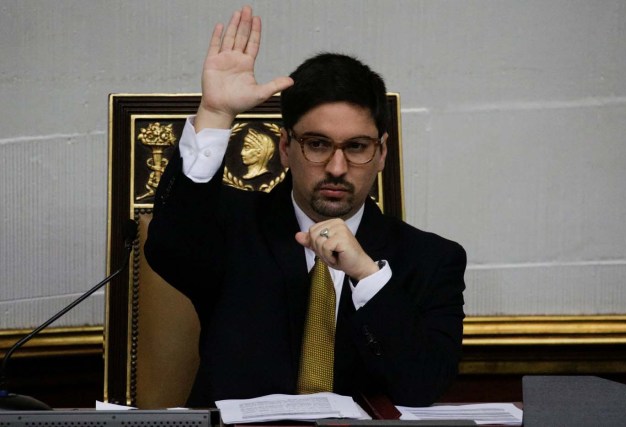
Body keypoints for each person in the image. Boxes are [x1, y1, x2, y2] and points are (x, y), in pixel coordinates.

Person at [145, 5, 466, 407]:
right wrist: (215, 113)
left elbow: (421, 386)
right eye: (317, 145)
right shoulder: (232, 227)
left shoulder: (432, 259)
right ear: (284, 147)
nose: (336, 168)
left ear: (382, 152)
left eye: (357, 148)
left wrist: (366, 276)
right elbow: (169, 246)